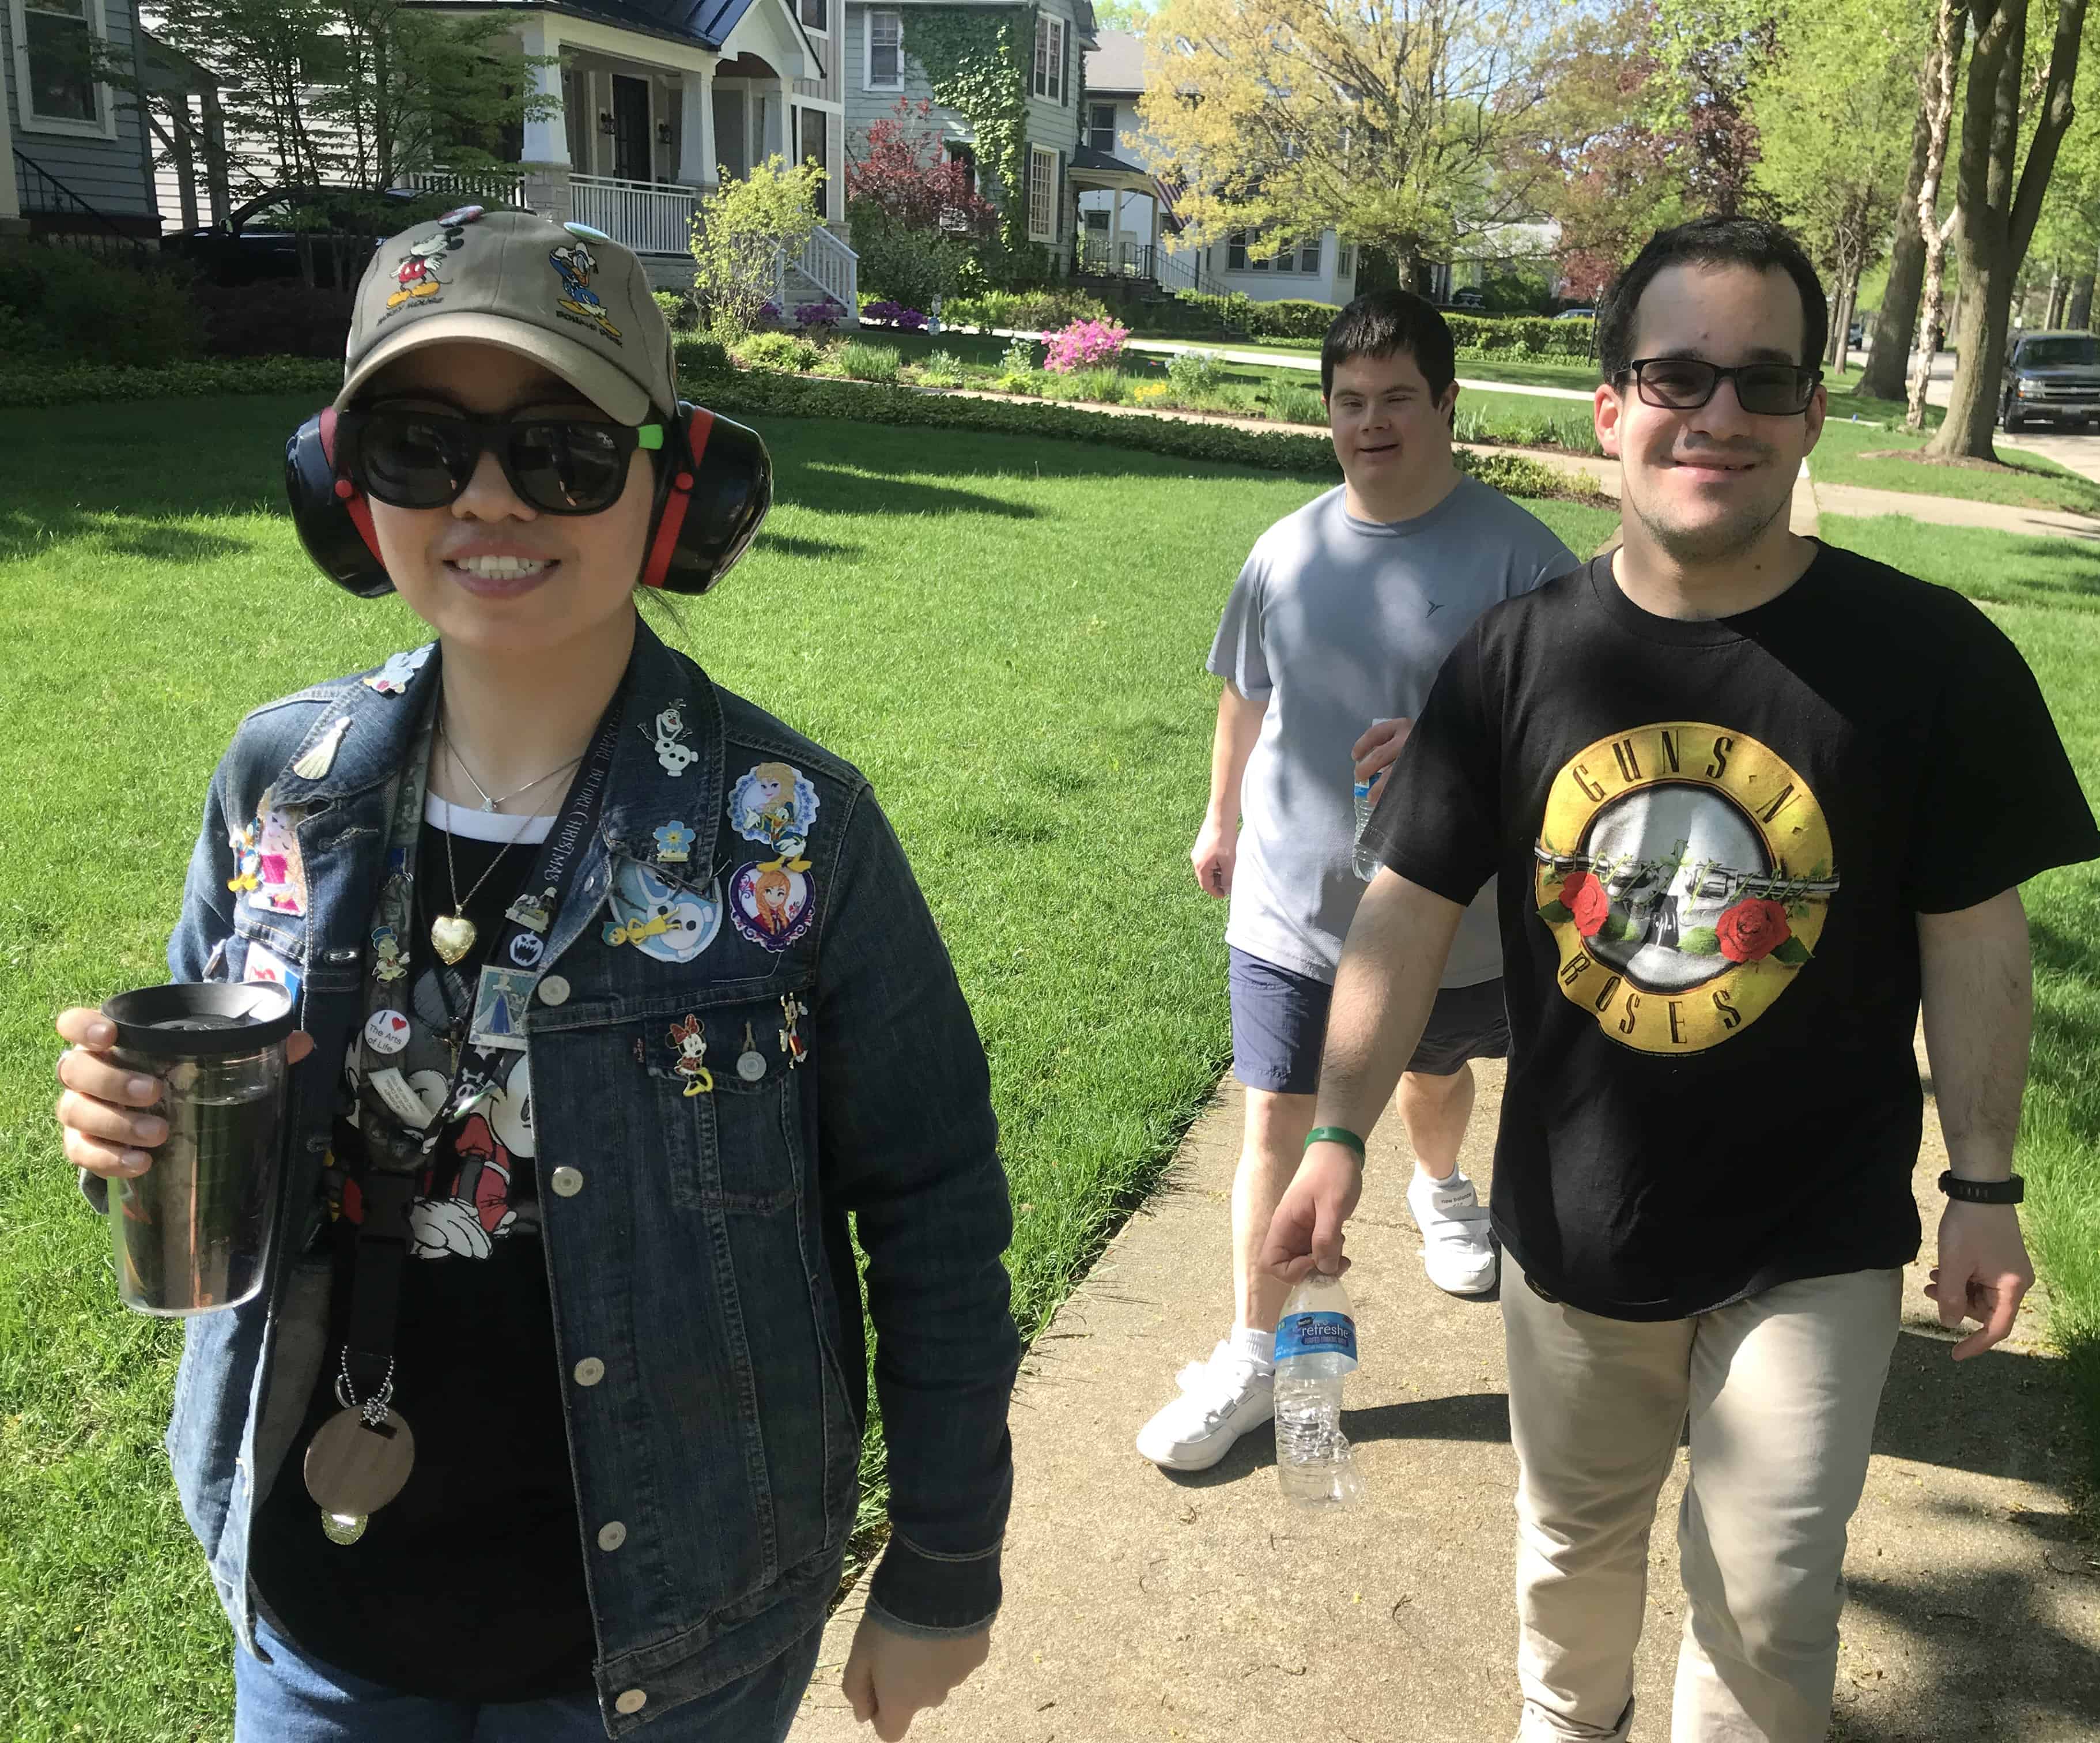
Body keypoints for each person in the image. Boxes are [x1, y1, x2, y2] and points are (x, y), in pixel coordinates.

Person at [50, 209, 1016, 1742]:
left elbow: (937, 1207)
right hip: (320, 1613)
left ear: (678, 488)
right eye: (421, 447)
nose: (487, 498)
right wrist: (129, 1136)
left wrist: (945, 1568)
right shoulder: (277, 783)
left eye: (562, 451)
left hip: (668, 1640)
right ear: (344, 486)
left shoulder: (793, 833)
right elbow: (198, 1145)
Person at [1262, 217, 2100, 1740]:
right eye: (1677, 377)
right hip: (1578, 1220)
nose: (1719, 414)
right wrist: (1336, 1133)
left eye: (1762, 381)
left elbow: (1976, 933)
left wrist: (1985, 1184)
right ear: (1612, 409)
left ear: (1810, 417)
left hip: (1817, 1232)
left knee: (1769, 1599)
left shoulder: (1932, 661)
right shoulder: (1511, 662)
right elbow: (1405, 908)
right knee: (1572, 1557)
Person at [1136, 290, 1577, 1472]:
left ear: (1448, 404)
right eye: (1349, 402)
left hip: (1452, 930)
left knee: (1433, 1073)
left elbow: (1579, 749)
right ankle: (1252, 1355)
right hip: (1294, 908)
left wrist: (1457, 745)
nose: (1371, 422)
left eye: (1397, 399)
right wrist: (1220, 817)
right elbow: (1246, 697)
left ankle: (1440, 1185)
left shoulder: (1526, 561)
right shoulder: (1285, 551)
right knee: (1277, 1120)